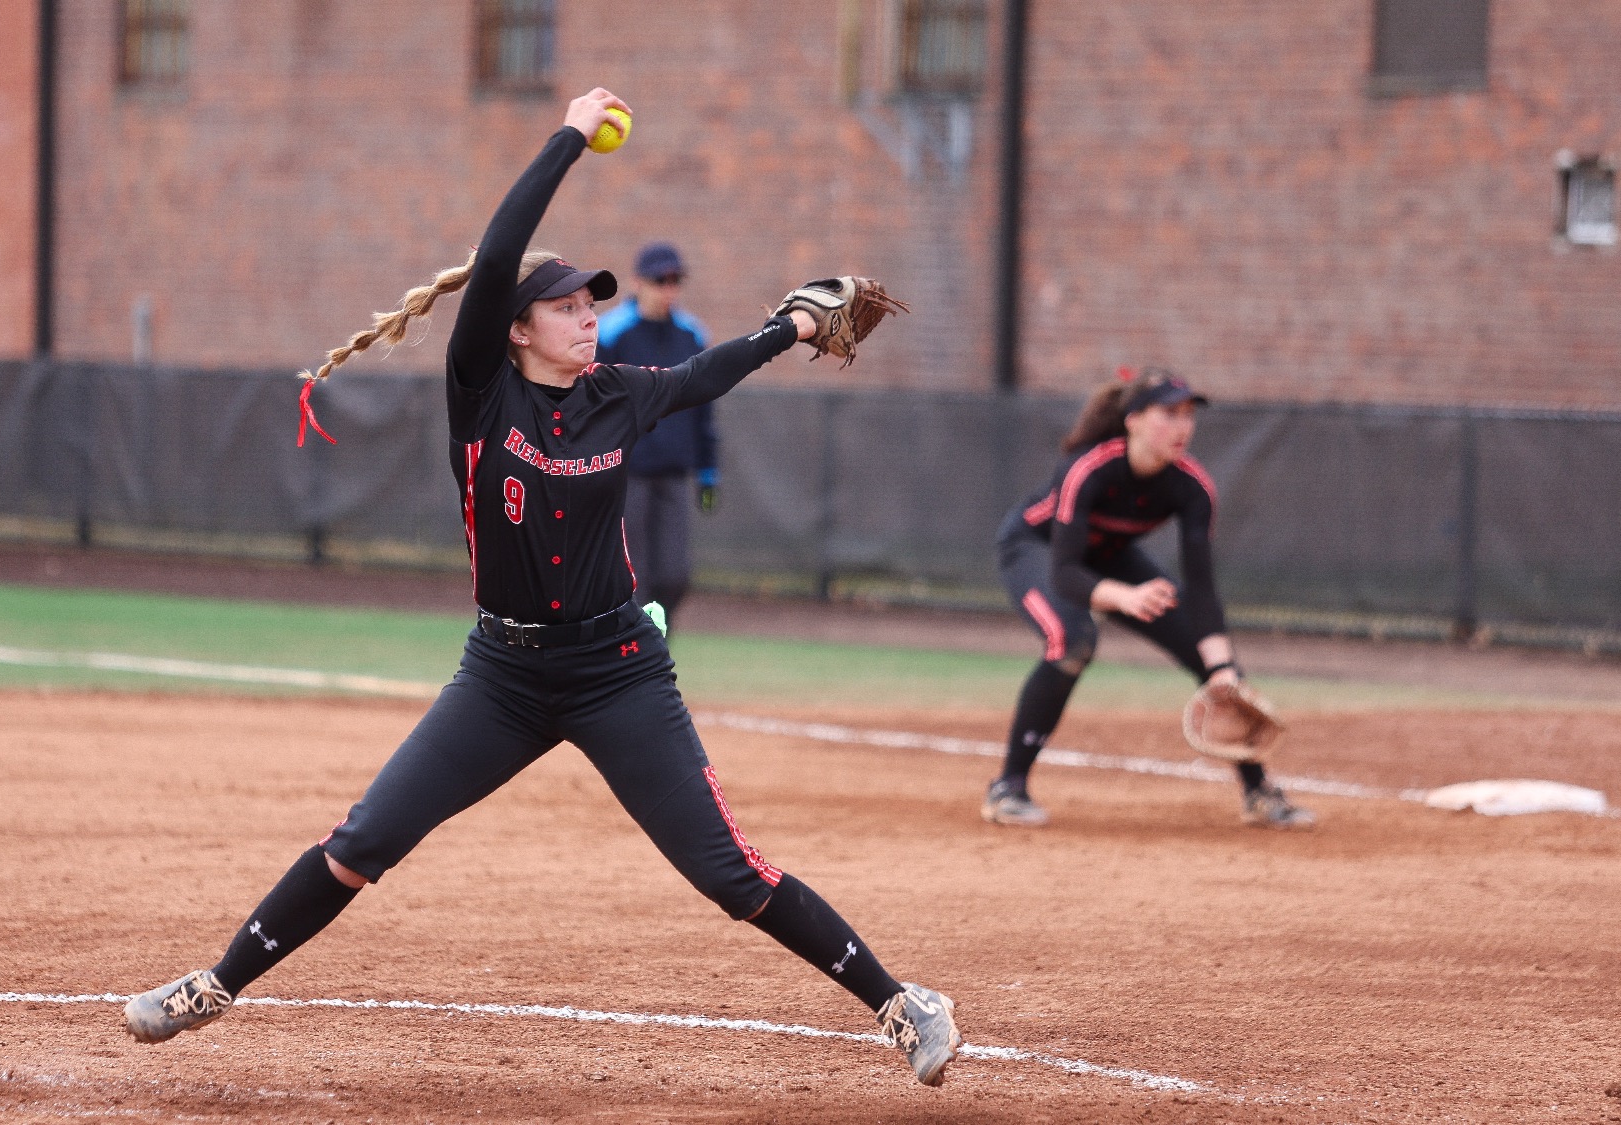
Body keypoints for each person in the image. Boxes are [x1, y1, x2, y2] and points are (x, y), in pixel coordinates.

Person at [123, 89, 960, 1087]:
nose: (587, 318)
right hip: (502, 677)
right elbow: (497, 249)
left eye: (591, 303)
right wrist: (567, 135)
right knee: (364, 841)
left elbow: (706, 373)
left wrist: (787, 326)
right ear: (516, 328)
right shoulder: (482, 391)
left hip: (617, 673)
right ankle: (215, 984)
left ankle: (901, 1003)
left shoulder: (619, 394)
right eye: (566, 306)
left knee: (726, 874)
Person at [982, 367, 1315, 831]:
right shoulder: (1089, 467)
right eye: (1169, 414)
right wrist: (1123, 596)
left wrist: (1222, 672)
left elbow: (1201, 590)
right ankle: (1008, 787)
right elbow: (1066, 572)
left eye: (1188, 415)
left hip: (1112, 558)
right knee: (1071, 641)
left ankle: (1258, 793)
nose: (1183, 426)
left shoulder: (1193, 487)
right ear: (1134, 420)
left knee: (1209, 653)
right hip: (1036, 550)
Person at [597, 243, 716, 632]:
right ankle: (634, 658)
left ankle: (654, 643)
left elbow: (703, 410)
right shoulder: (613, 333)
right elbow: (594, 405)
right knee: (637, 577)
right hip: (625, 474)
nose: (668, 289)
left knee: (676, 575)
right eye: (659, 280)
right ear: (637, 282)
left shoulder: (691, 334)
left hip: (674, 474)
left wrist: (708, 473)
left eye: (675, 281)